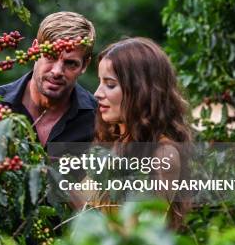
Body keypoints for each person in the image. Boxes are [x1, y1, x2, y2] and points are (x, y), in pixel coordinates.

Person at [79, 37, 192, 228]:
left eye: (110, 84)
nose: (97, 93)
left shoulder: (162, 154)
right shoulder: (112, 141)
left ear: (141, 91)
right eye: (100, 82)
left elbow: (137, 236)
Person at [0, 12, 97, 147]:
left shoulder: (97, 119)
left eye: (70, 63)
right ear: (34, 49)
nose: (57, 71)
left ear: (85, 65)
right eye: (50, 56)